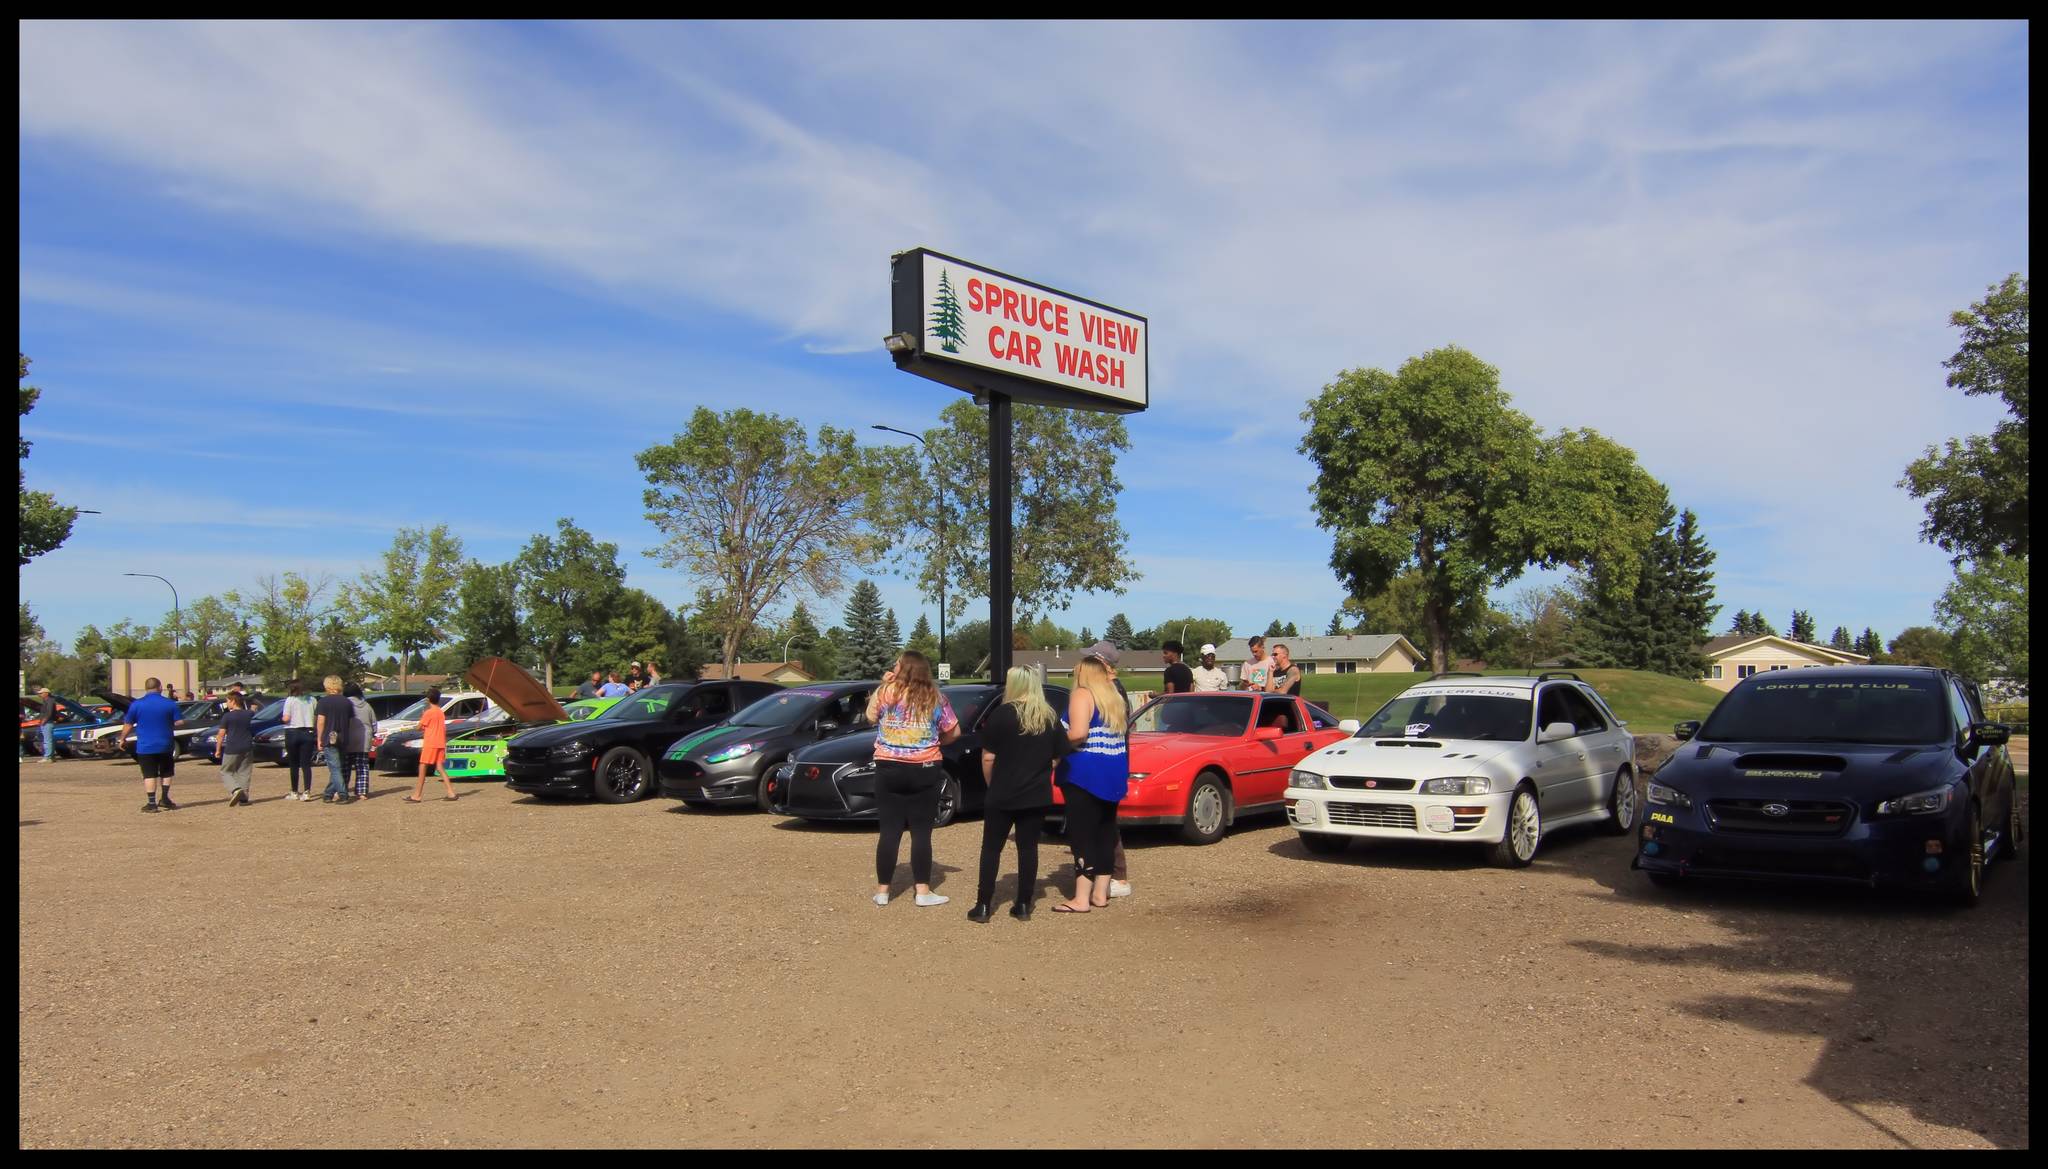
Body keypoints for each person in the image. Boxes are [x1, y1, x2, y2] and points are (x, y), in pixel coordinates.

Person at [970, 667, 1070, 923]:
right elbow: (1058, 755)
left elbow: (988, 756)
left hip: (1002, 792)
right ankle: (1024, 903)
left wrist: (992, 784)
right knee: (1028, 849)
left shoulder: (1001, 715)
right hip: (1035, 793)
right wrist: (1042, 768)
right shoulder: (1048, 716)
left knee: (991, 849)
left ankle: (983, 905)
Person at [864, 650, 960, 908]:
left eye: (896, 663)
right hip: (925, 766)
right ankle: (923, 891)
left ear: (904, 668)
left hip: (889, 765)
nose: (893, 666)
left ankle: (883, 891)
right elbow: (954, 731)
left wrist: (884, 685)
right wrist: (935, 741)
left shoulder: (885, 692)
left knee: (889, 830)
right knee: (921, 832)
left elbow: (871, 716)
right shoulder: (935, 696)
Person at [1054, 657, 1127, 913]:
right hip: (1114, 769)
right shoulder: (1113, 697)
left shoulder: (1082, 695)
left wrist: (1055, 743)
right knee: (1106, 830)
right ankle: (1100, 893)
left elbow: (1078, 733)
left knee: (1082, 833)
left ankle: (1081, 898)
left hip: (1084, 772)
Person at [122, 677, 184, 813]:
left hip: (145, 746)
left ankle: (151, 803)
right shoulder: (170, 704)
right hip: (165, 744)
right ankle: (165, 798)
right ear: (160, 687)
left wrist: (122, 739)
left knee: (149, 774)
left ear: (146, 688)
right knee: (166, 772)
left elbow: (128, 724)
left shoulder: (137, 704)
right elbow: (180, 722)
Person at [406, 687, 457, 803]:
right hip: (440, 742)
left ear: (429, 699)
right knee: (440, 767)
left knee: (423, 767)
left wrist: (421, 718)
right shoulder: (440, 712)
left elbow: (419, 727)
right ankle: (451, 792)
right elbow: (433, 726)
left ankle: (417, 795)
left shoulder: (428, 713)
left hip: (431, 743)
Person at [314, 676, 354, 804]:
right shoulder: (347, 702)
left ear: (327, 686)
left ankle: (343, 794)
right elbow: (350, 721)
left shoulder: (323, 702)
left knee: (334, 768)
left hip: (329, 736)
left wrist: (319, 738)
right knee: (337, 766)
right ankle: (328, 793)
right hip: (343, 737)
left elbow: (321, 721)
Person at [214, 691, 255, 807]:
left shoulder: (227, 716)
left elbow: (221, 734)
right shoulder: (249, 714)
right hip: (247, 746)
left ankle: (235, 789)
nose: (227, 703)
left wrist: (218, 749)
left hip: (232, 747)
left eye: (227, 701)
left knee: (226, 771)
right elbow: (255, 708)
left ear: (233, 701)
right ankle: (244, 798)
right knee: (244, 772)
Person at [282, 680, 318, 801]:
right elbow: (315, 717)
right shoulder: (312, 700)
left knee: (294, 764)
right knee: (306, 764)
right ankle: (307, 791)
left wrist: (281, 720)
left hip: (292, 732)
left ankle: (294, 791)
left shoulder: (290, 700)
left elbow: (286, 718)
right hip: (308, 731)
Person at [344, 683, 376, 800]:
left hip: (348, 739)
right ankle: (362, 792)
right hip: (364, 739)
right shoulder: (367, 706)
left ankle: (343, 789)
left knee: (346, 766)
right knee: (362, 767)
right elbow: (374, 724)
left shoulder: (345, 704)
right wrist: (372, 734)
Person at [36, 687, 56, 763]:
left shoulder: (50, 701)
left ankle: (47, 757)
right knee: (49, 740)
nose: (39, 695)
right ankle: (51, 757)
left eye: (41, 693)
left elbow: (49, 712)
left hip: (47, 722)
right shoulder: (46, 701)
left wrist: (44, 720)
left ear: (46, 693)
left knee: (47, 741)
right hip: (47, 722)